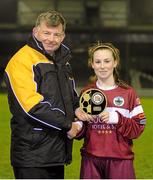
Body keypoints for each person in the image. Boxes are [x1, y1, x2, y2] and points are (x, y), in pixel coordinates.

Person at [4, 10, 82, 179]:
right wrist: (68, 125)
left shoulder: (62, 61)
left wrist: (79, 110)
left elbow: (70, 98)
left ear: (63, 36)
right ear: (35, 32)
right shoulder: (22, 61)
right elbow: (31, 107)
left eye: (56, 34)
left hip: (56, 152)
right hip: (32, 155)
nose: (51, 39)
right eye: (46, 33)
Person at [75, 42, 146, 179]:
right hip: (91, 160)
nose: (102, 66)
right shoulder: (87, 92)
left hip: (120, 160)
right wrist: (78, 125)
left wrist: (117, 118)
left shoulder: (128, 93)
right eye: (98, 62)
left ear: (115, 62)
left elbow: (139, 126)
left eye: (107, 61)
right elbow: (82, 129)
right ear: (92, 64)